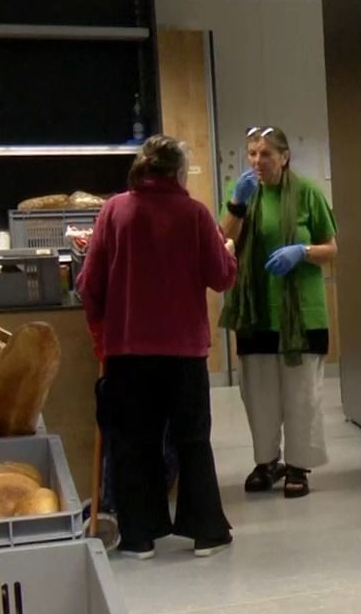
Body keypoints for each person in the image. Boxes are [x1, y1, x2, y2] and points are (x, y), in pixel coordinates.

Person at [78, 135, 238, 559]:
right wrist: (230, 252)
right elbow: (221, 277)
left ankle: (138, 536)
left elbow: (89, 285)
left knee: (133, 441)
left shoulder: (115, 211)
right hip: (184, 351)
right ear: (178, 172)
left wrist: (101, 333)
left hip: (128, 351)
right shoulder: (195, 214)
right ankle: (206, 530)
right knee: (192, 440)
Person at [220, 126, 338, 499]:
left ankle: (299, 466)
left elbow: (331, 247)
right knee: (258, 394)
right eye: (252, 153)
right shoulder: (242, 193)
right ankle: (267, 461)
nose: (257, 161)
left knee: (301, 395)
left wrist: (301, 252)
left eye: (266, 154)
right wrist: (237, 205)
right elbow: (224, 241)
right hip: (256, 311)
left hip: (301, 312)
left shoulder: (307, 193)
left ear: (284, 157)